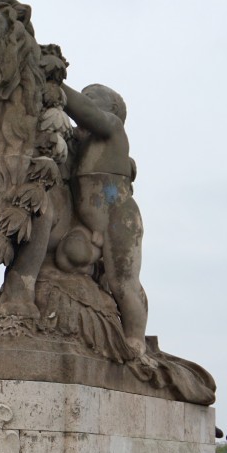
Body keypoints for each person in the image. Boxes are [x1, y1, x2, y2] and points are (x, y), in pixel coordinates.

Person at [62, 83, 148, 358]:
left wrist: (55, 83)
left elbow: (87, 113)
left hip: (118, 217)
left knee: (123, 279)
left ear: (112, 108)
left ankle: (135, 338)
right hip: (85, 223)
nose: (83, 99)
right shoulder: (79, 142)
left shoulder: (111, 127)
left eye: (90, 96)